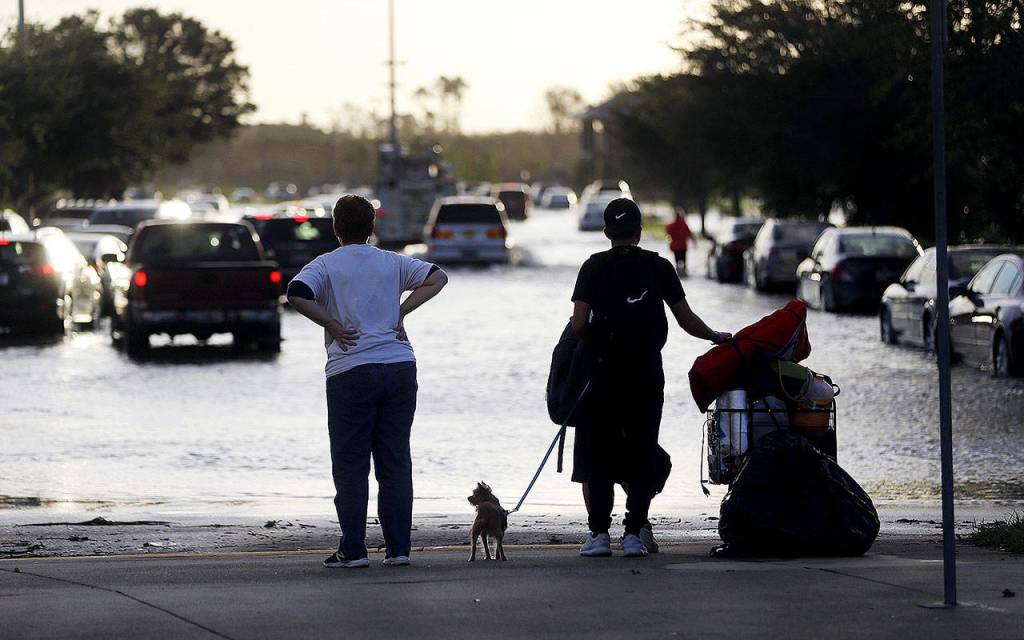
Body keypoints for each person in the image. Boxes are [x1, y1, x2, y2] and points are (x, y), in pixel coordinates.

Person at [286, 194, 448, 569]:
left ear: (335, 227)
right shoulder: (391, 262)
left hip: (350, 371)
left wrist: (331, 324)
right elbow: (437, 277)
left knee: (351, 463)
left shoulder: (325, 264)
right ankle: (398, 548)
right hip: (398, 367)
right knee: (394, 459)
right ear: (372, 227)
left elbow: (296, 293)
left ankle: (354, 549)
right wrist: (400, 312)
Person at [570, 198, 729, 558]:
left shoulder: (592, 267)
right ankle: (632, 534)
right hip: (644, 373)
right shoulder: (658, 267)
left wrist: (594, 340)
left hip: (603, 374)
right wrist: (717, 337)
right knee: (641, 450)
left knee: (600, 452)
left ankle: (598, 535)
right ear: (639, 231)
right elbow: (686, 319)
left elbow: (579, 323)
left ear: (607, 231)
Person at [665, 209, 693, 276]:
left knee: (677, 260)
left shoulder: (671, 225)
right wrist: (694, 241)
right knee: (683, 260)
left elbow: (667, 234)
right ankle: (684, 272)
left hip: (675, 246)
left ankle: (678, 272)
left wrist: (669, 242)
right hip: (683, 246)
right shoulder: (683, 224)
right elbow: (689, 233)